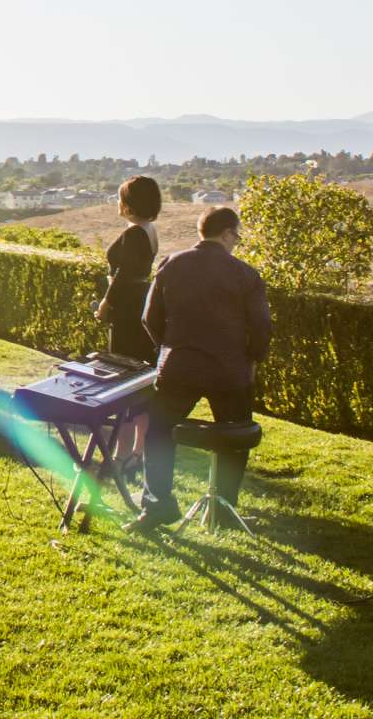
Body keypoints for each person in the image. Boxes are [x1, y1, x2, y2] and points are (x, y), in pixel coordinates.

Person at [131, 206, 272, 531]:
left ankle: (158, 505)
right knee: (235, 437)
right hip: (230, 371)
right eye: (236, 235)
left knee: (159, 433)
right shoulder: (245, 274)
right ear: (226, 234)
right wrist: (252, 359)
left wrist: (168, 348)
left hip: (179, 367)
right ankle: (224, 511)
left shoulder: (171, 265)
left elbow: (148, 318)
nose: (237, 241)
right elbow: (262, 327)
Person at [98, 176, 164, 364]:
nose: (117, 202)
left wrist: (106, 303)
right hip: (139, 296)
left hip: (126, 303)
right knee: (137, 354)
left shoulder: (134, 233)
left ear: (129, 205)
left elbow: (123, 275)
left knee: (123, 358)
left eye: (120, 198)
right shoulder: (148, 228)